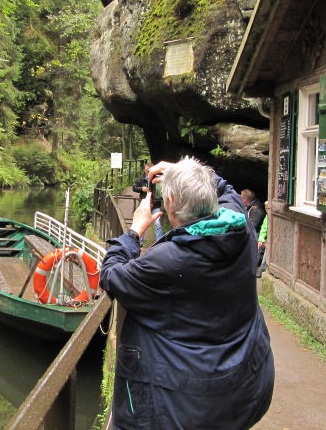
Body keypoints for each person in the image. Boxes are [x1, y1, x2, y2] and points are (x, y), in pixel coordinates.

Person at [100, 157, 274, 429]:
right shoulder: (240, 226)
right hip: (244, 386)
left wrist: (134, 232)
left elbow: (111, 274)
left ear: (169, 203)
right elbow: (227, 191)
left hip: (190, 405)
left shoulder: (169, 260)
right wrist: (189, 174)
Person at [132, 163, 164, 241]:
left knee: (157, 224)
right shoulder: (141, 178)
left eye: (148, 171)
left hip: (155, 204)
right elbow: (134, 187)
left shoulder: (158, 178)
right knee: (142, 223)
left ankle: (159, 241)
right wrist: (141, 189)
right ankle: (140, 241)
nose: (146, 173)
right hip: (144, 204)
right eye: (146, 171)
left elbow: (161, 192)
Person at [256, 202, 269, 278]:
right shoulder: (267, 217)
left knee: (268, 249)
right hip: (266, 239)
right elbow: (264, 228)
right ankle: (255, 264)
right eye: (265, 208)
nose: (266, 209)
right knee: (259, 245)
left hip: (272, 240)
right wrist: (261, 239)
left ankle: (262, 268)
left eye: (267, 208)